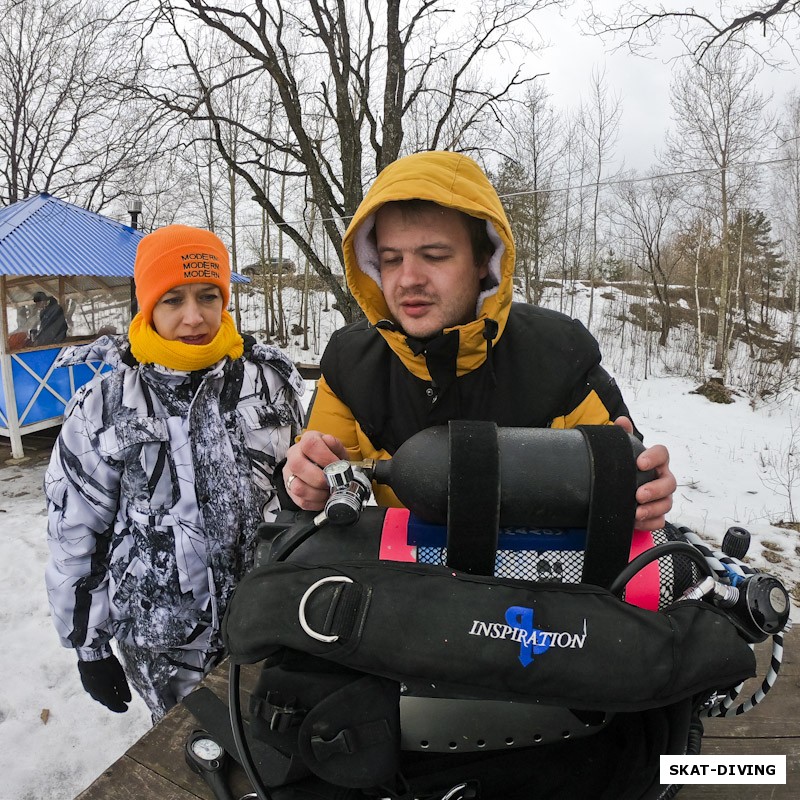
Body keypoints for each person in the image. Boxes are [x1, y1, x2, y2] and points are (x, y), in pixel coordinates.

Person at [283, 150, 676, 528]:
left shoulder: (559, 356)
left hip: (536, 582)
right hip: (399, 581)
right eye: (391, 259)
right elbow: (317, 476)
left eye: (434, 255)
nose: (408, 279)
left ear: (483, 262)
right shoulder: (351, 363)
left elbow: (630, 488)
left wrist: (643, 491)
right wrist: (308, 480)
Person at [44, 224, 304, 723]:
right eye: (172, 299)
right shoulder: (105, 404)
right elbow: (73, 529)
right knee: (190, 759)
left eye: (209, 296)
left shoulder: (270, 380)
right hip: (165, 645)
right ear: (147, 307)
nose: (194, 317)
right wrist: (89, 646)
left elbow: (301, 487)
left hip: (272, 622)